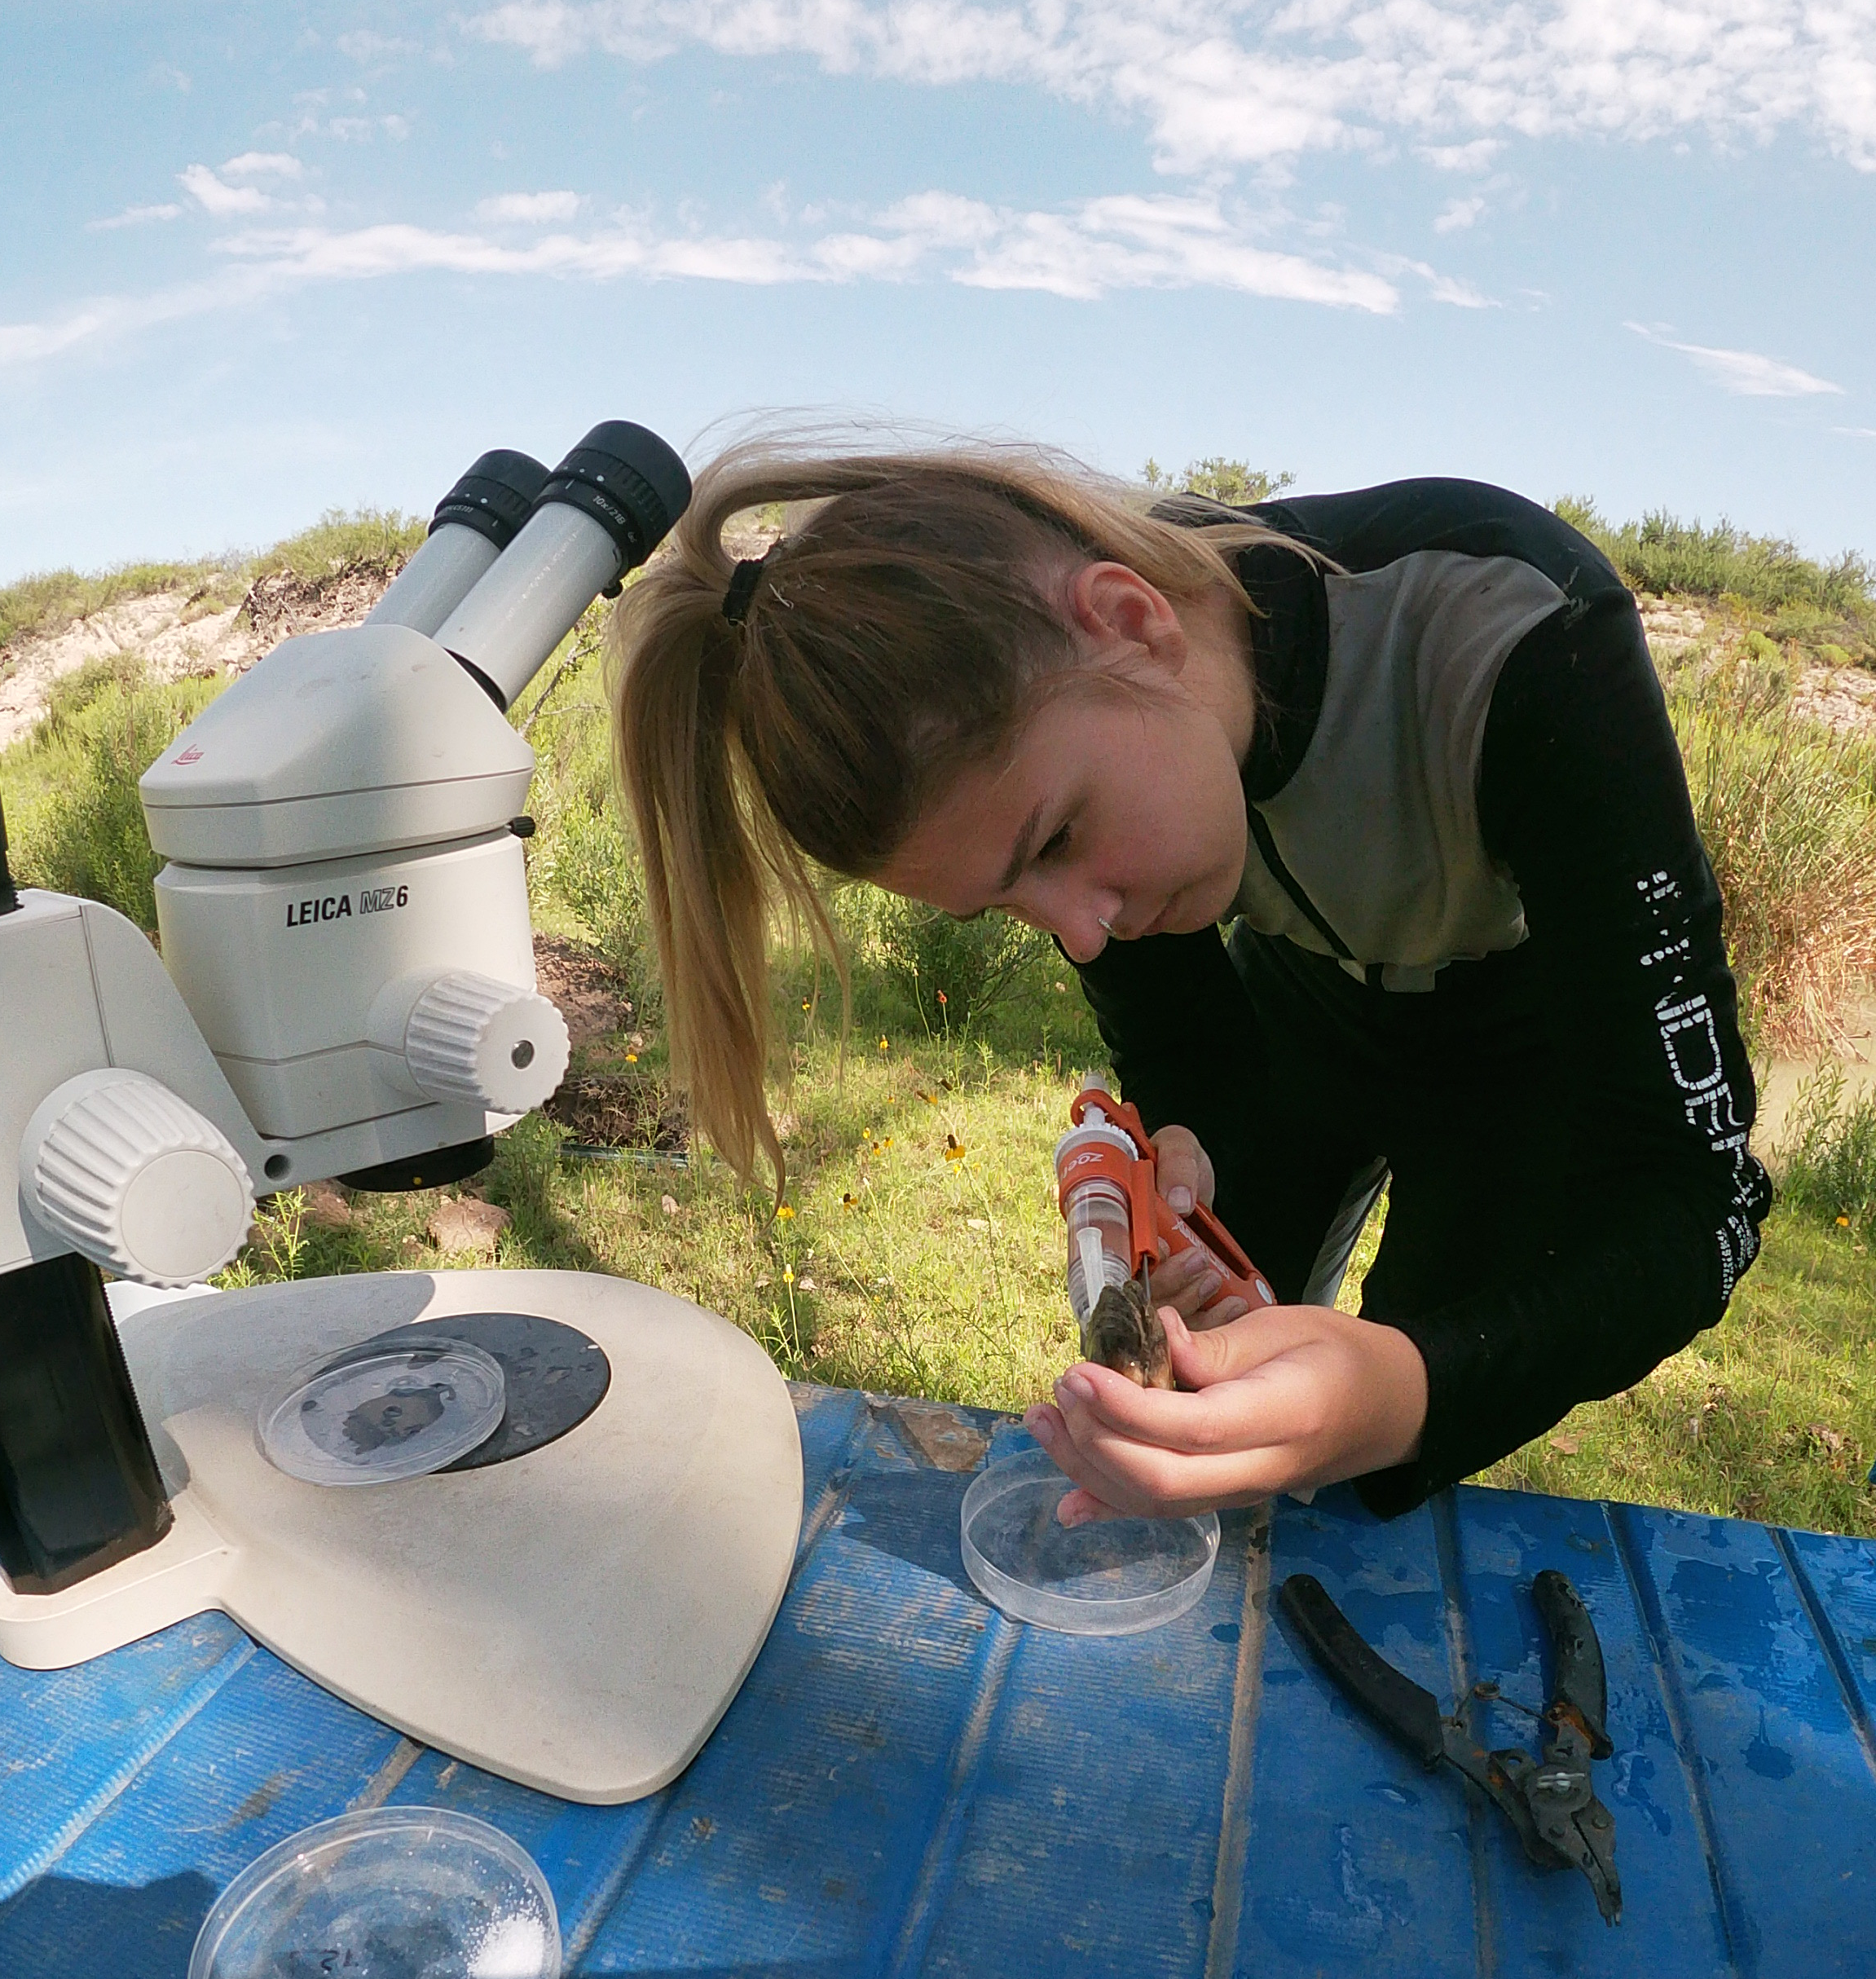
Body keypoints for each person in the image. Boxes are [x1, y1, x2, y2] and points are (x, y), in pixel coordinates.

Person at [609, 438, 1771, 1523]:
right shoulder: (1113, 737)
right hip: (1311, 1009)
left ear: (1131, 617)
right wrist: (1170, 1149)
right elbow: (1191, 1063)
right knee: (1206, 1409)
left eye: (1055, 841)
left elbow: (1695, 1198)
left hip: (1525, 1042)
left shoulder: (1517, 632)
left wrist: (1401, 1393)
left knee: (1384, 1474)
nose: (1079, 936)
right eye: (1004, 904)